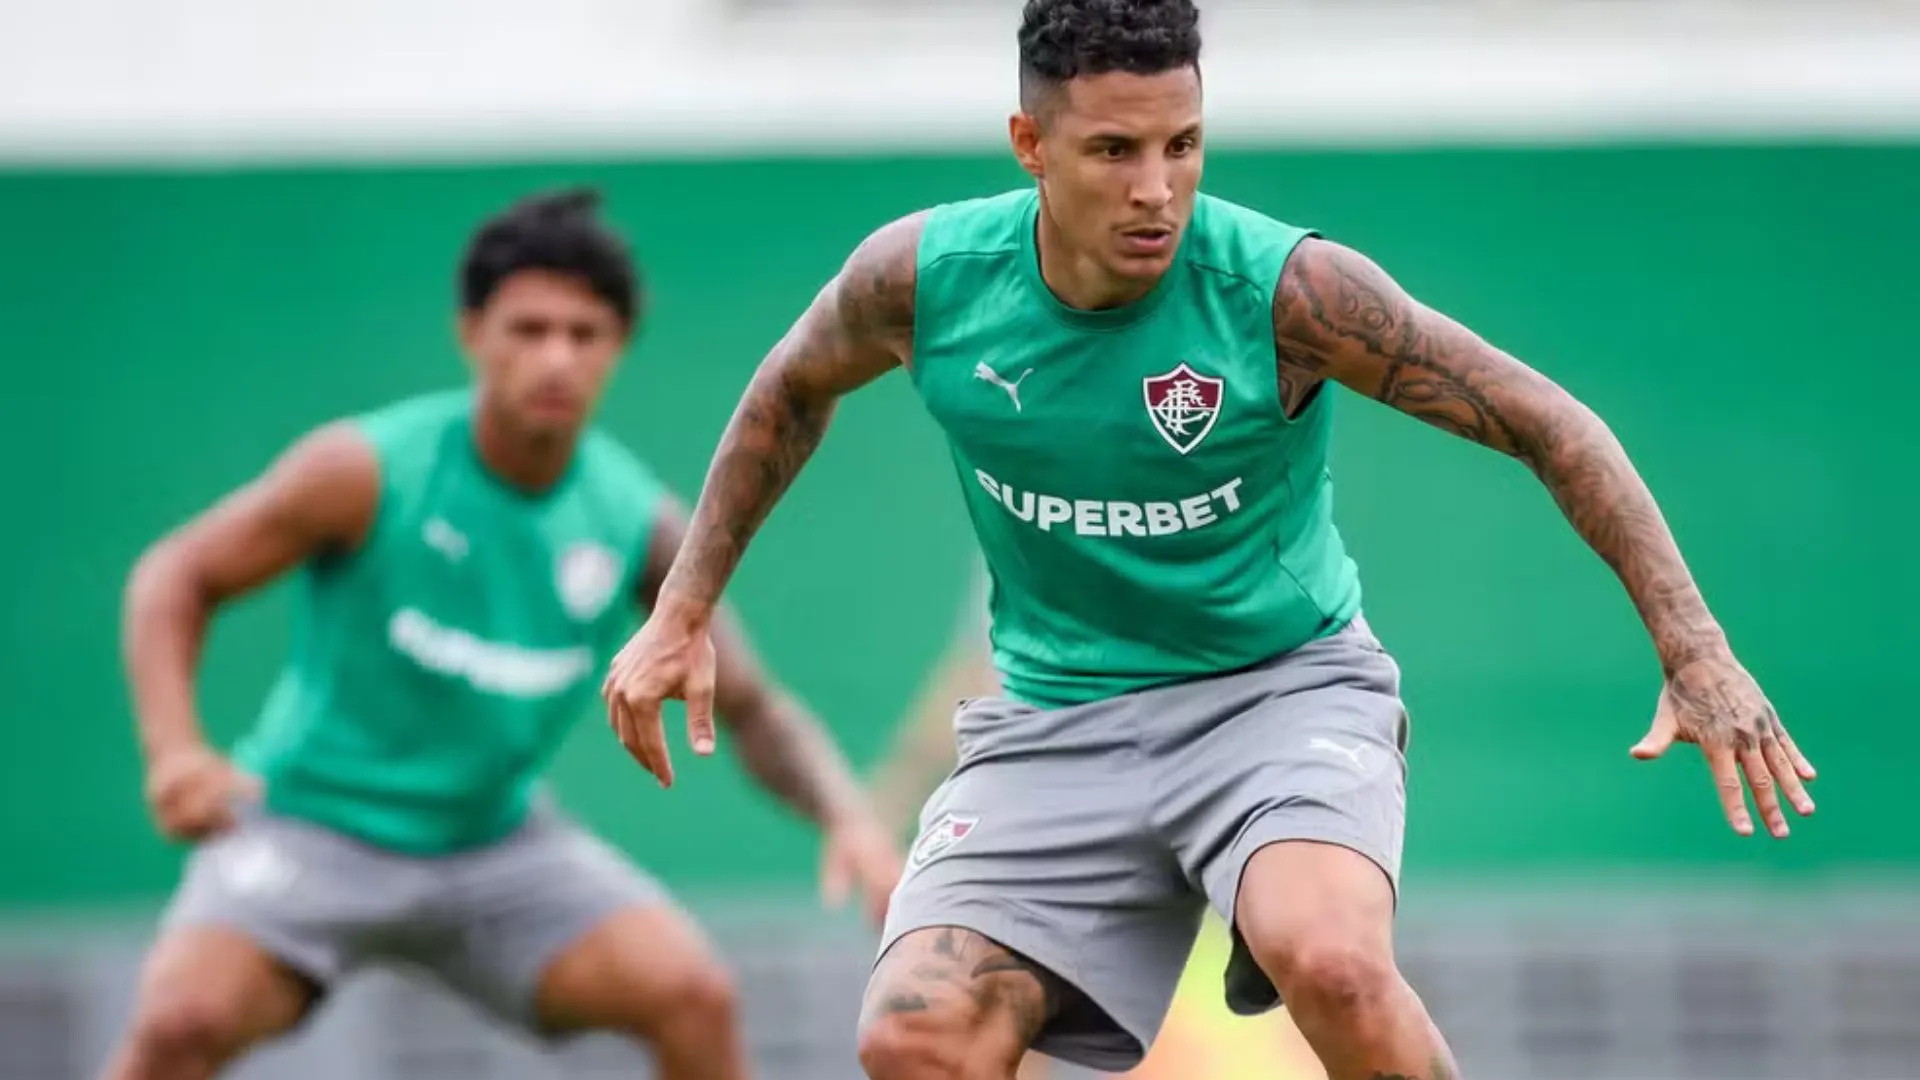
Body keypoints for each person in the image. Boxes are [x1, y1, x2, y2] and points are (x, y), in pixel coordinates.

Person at [599, 0, 1821, 1075]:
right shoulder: (919, 284)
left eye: (1183, 145)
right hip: (1053, 721)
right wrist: (683, 608)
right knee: (912, 1039)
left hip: (1279, 697)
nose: (1156, 190)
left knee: (1328, 960)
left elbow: (1552, 423)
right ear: (1030, 146)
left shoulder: (1287, 294)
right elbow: (788, 392)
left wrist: (1696, 648)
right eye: (1114, 150)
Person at [105, 188, 900, 1080]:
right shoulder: (363, 472)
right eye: (528, 329)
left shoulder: (635, 523)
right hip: (309, 830)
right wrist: (173, 752)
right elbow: (173, 577)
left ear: (618, 348)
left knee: (692, 995)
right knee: (177, 1026)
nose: (556, 358)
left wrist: (851, 820)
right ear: (472, 334)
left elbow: (754, 705)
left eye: (584, 332)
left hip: (494, 848)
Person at [868, 561, 1327, 1080]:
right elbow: (972, 672)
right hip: (1057, 807)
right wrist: (879, 813)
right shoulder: (1023, 518)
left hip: (1189, 812)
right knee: (988, 998)